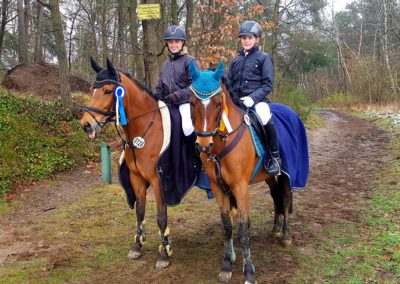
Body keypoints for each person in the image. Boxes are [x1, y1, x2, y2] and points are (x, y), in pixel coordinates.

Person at [225, 20, 281, 176]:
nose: (246, 40)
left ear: (257, 39)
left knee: (264, 117)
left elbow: (268, 84)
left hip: (258, 101)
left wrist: (252, 98)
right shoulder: (235, 60)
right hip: (237, 101)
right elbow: (229, 82)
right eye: (244, 38)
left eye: (250, 37)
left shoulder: (264, 58)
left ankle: (274, 158)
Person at [153, 25, 200, 170]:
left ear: (182, 43)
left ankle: (195, 158)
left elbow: (195, 86)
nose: (174, 45)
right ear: (167, 44)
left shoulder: (191, 61)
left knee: (186, 126)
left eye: (177, 42)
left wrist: (176, 96)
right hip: (169, 103)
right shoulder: (165, 65)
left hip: (187, 102)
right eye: (171, 42)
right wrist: (154, 95)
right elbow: (161, 85)